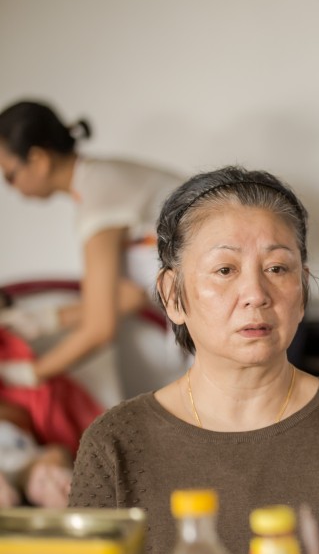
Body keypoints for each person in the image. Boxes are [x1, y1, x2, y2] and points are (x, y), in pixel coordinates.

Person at [69, 166, 319, 554]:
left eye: (277, 268)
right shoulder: (115, 444)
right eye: (225, 270)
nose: (255, 294)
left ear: (303, 291)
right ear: (171, 295)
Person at [0, 99, 184, 393]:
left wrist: (29, 374)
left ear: (38, 160)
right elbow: (129, 296)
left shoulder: (99, 197)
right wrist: (44, 320)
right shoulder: (97, 180)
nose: (10, 187)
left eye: (10, 174)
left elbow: (101, 328)